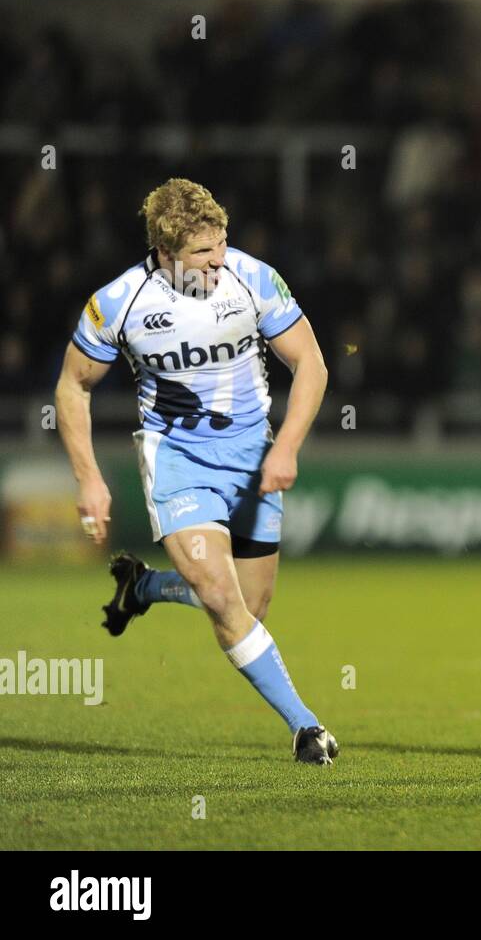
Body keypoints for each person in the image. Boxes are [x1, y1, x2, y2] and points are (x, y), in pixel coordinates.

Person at [53, 178, 338, 765]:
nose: (218, 262)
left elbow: (311, 361)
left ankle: (146, 586)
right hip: (178, 461)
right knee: (218, 592)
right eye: (203, 255)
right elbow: (73, 386)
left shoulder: (253, 277)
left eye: (222, 245)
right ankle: (307, 729)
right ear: (164, 254)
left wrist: (285, 448)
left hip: (255, 458)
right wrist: (88, 478)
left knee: (248, 610)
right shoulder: (119, 302)